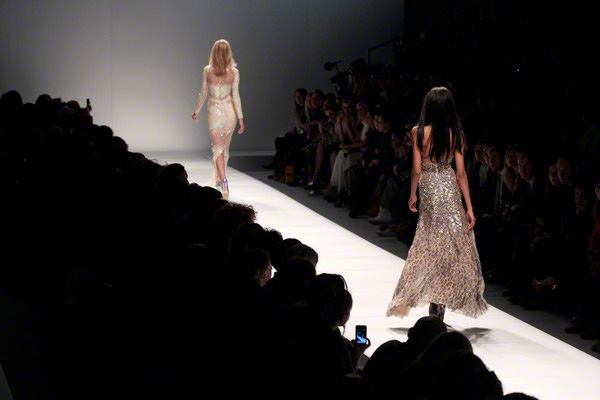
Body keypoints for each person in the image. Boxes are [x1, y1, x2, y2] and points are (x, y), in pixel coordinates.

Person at [386, 87, 488, 321]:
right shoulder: (456, 134)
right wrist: (469, 207)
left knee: (431, 242)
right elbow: (461, 173)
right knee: (451, 244)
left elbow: (416, 169)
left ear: (428, 107)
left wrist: (413, 194)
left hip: (430, 187)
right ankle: (439, 300)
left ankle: (434, 300)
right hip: (450, 187)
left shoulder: (418, 132)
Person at [192, 39, 244, 199]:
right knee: (224, 149)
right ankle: (219, 181)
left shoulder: (208, 70)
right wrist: (241, 118)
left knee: (218, 148)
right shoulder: (234, 72)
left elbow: (203, 93)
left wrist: (196, 111)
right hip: (230, 112)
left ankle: (223, 181)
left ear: (213, 53)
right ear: (228, 53)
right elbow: (236, 96)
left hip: (215, 112)